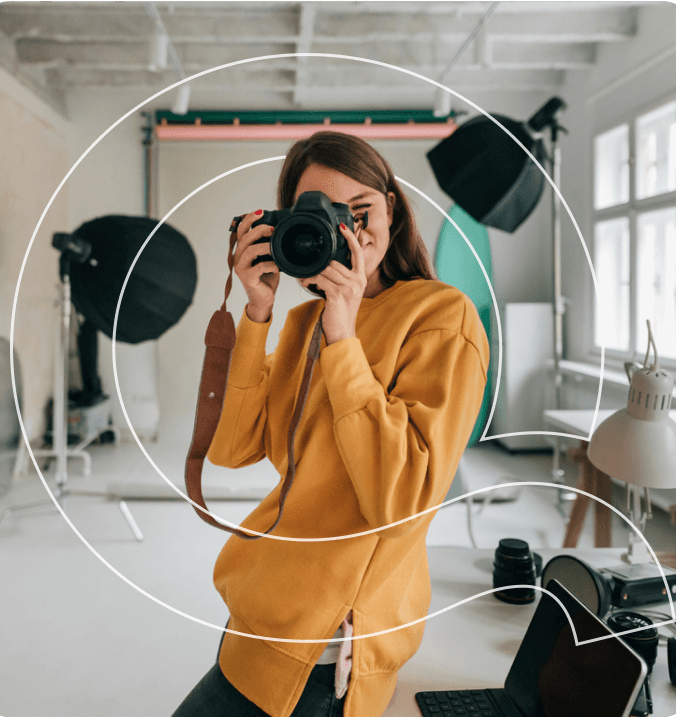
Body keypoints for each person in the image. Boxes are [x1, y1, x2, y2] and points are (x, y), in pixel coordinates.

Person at [170, 131, 489, 717]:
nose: (350, 234)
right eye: (325, 218)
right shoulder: (299, 325)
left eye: (360, 212)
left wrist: (344, 339)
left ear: (392, 208)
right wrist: (259, 312)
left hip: (323, 653)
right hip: (257, 613)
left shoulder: (441, 317)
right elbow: (233, 449)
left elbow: (402, 501)